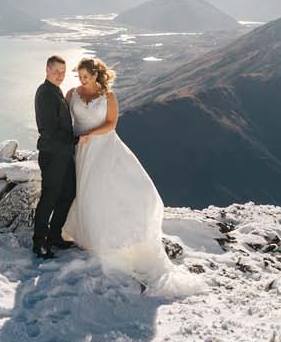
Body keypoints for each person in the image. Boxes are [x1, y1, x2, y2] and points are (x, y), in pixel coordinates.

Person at [59, 57, 205, 297]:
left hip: (102, 148)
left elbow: (111, 124)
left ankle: (107, 238)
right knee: (81, 191)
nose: (82, 80)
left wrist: (90, 134)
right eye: (80, 76)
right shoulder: (72, 94)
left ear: (95, 75)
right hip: (79, 149)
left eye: (86, 76)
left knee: (100, 190)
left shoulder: (109, 97)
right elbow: (65, 119)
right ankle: (83, 232)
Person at [31, 55, 77, 259]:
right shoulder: (45, 94)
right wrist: (76, 140)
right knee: (49, 197)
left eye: (63, 72)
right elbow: (49, 130)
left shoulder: (55, 91)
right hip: (52, 154)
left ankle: (54, 236)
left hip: (64, 154)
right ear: (47, 69)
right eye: (56, 71)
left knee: (68, 192)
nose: (60, 75)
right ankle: (39, 242)